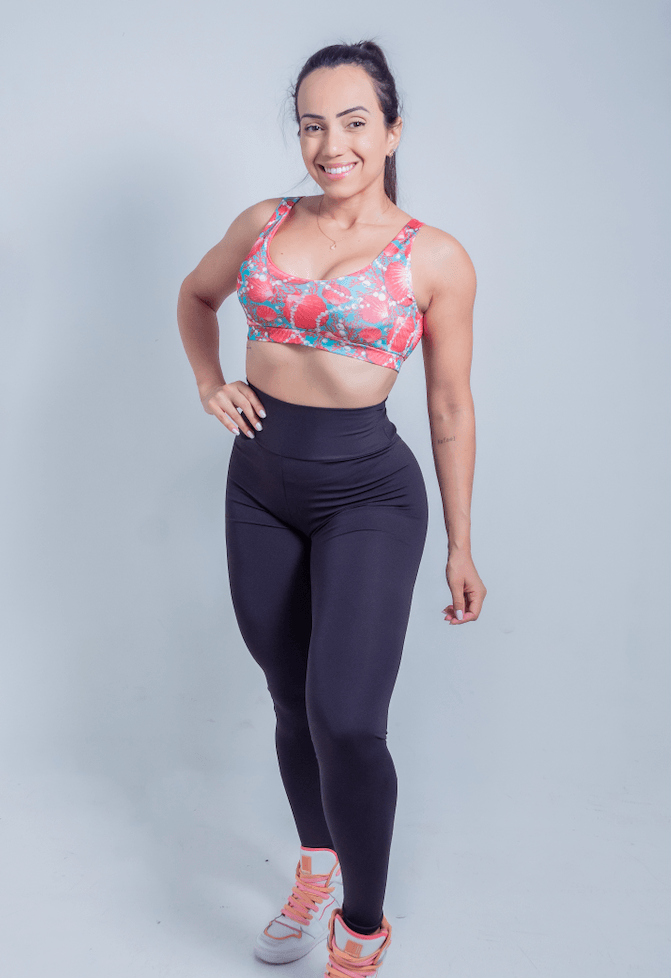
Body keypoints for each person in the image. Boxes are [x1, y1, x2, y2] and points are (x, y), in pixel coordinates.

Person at [177, 39, 486, 977]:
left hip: (368, 496)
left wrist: (462, 545)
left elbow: (448, 407)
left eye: (354, 122)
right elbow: (197, 296)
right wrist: (210, 382)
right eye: (312, 124)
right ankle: (316, 865)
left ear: (392, 131)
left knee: (345, 718)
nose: (331, 144)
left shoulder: (435, 257)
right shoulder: (263, 222)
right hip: (259, 491)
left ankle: (361, 925)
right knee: (289, 694)